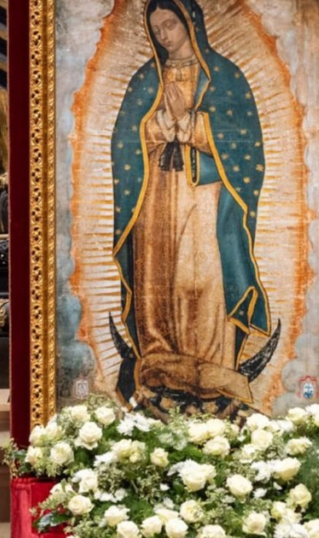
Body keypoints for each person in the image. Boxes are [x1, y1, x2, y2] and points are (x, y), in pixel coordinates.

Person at [110, 0, 270, 406]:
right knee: (157, 278)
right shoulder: (147, 79)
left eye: (170, 25)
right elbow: (125, 140)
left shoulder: (224, 78)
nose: (163, 35)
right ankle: (160, 359)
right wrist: (156, 126)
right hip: (157, 195)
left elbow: (244, 143)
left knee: (199, 278)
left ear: (190, 23)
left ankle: (213, 366)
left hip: (204, 194)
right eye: (157, 28)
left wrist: (193, 125)